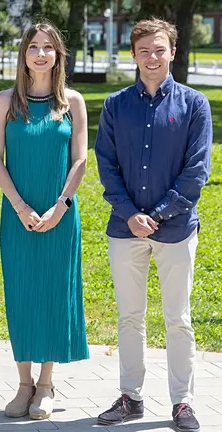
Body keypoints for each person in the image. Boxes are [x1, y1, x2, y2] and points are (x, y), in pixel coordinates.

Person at [95, 18, 211, 432]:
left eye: (159, 49)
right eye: (144, 50)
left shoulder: (195, 105)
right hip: (125, 229)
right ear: (133, 55)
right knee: (130, 317)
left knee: (177, 318)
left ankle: (183, 403)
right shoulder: (115, 105)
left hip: (176, 230)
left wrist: (158, 215)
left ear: (172, 52)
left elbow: (196, 171)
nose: (152, 57)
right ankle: (131, 397)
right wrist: (130, 213)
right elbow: (106, 166)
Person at [0, 22, 90, 420]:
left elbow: (80, 159)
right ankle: (23, 383)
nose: (41, 53)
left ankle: (46, 383)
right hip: (18, 214)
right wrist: (19, 206)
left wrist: (60, 207)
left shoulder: (73, 102)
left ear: (58, 54)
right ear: (23, 54)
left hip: (60, 215)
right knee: (21, 295)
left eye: (48, 47)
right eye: (34, 46)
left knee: (52, 293)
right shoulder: (5, 102)